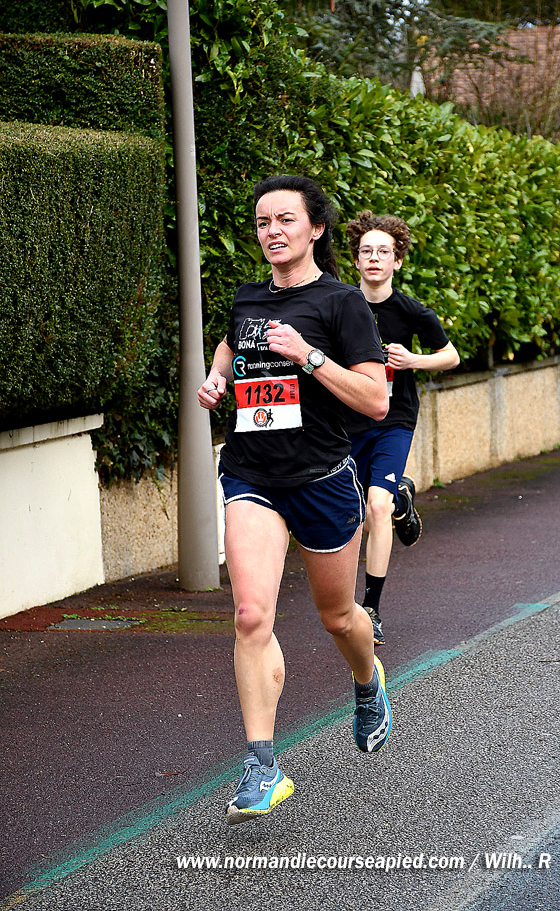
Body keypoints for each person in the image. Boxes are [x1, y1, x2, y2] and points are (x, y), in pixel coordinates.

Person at [198, 176, 392, 826]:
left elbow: (375, 399)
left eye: (285, 219)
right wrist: (217, 377)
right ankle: (262, 766)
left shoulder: (342, 304)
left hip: (320, 479)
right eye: (262, 222)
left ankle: (367, 680)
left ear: (315, 228)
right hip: (250, 473)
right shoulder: (248, 297)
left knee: (338, 618)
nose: (272, 231)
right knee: (251, 614)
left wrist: (308, 356)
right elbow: (231, 343)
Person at [345, 210, 460, 645]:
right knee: (354, 514)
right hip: (347, 422)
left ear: (397, 261)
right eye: (366, 251)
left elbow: (450, 356)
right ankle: (401, 496)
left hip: (393, 420)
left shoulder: (410, 310)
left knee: (376, 507)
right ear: (356, 260)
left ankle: (371, 609)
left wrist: (413, 360)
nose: (374, 258)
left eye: (383, 252)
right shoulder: (339, 304)